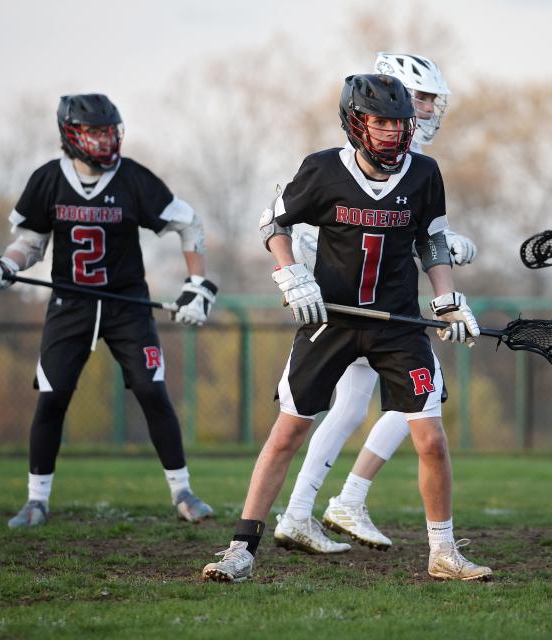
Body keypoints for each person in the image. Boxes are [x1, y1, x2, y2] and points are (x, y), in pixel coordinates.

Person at [202, 74, 491, 582]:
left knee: (431, 438)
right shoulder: (322, 170)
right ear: (355, 122)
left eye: (398, 123)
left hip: (398, 326)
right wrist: (290, 274)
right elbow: (273, 223)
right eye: (378, 122)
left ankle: (443, 552)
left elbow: (432, 241)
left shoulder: (424, 173)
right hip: (330, 319)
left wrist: (446, 300)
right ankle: (241, 547)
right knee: (288, 431)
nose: (390, 132)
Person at [0, 94, 218, 528]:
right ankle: (36, 501)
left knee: (151, 391)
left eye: (110, 132)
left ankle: (182, 492)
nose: (106, 141)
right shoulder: (48, 179)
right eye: (96, 133)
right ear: (72, 135)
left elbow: (188, 223)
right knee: (53, 398)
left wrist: (196, 286)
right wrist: (6, 264)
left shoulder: (133, 179)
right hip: (71, 303)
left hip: (128, 305)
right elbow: (29, 244)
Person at [274, 52, 478, 555]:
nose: (428, 109)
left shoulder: (415, 165)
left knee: (353, 406)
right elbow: (300, 219)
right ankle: (337, 501)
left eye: (430, 99)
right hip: (341, 297)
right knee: (395, 402)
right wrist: (293, 273)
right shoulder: (344, 160)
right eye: (421, 98)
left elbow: (412, 229)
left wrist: (442, 251)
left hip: (375, 297)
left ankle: (310, 509)